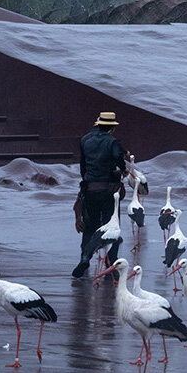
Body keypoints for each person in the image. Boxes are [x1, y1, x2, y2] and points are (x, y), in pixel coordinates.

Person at [72, 110, 127, 278]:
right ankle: (111, 263)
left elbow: (83, 167)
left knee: (90, 226)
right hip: (108, 190)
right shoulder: (112, 142)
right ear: (112, 127)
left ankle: (84, 257)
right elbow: (120, 162)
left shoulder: (85, 140)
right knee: (113, 227)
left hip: (89, 189)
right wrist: (123, 170)